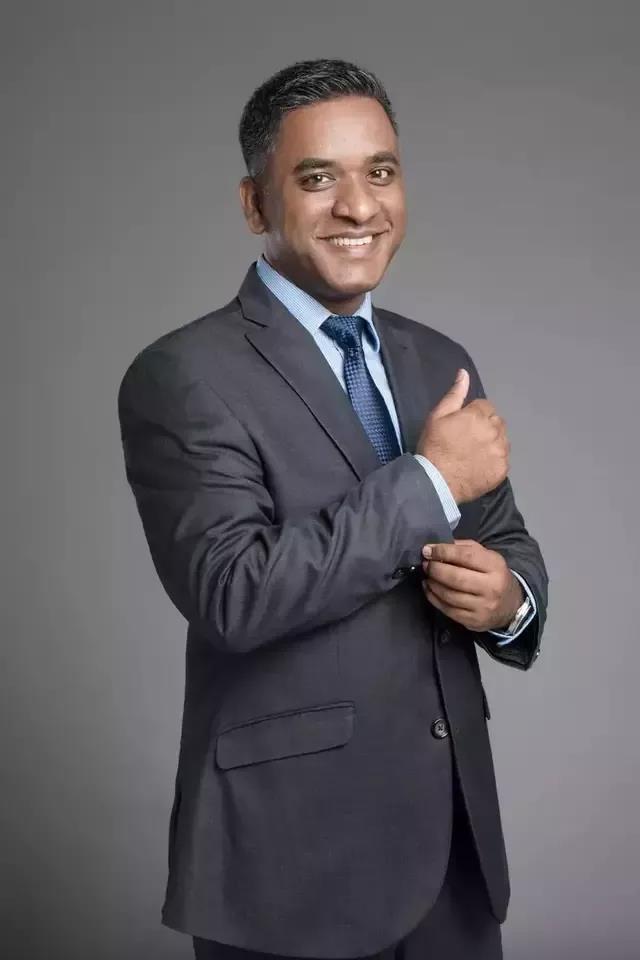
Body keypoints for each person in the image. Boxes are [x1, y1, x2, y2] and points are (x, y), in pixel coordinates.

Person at [117, 58, 549, 960]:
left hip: (454, 855)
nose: (359, 207)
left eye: (380, 171)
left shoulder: (440, 360)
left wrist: (508, 601)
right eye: (318, 179)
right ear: (254, 204)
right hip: (292, 863)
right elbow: (232, 593)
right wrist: (429, 482)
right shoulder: (184, 375)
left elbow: (505, 540)